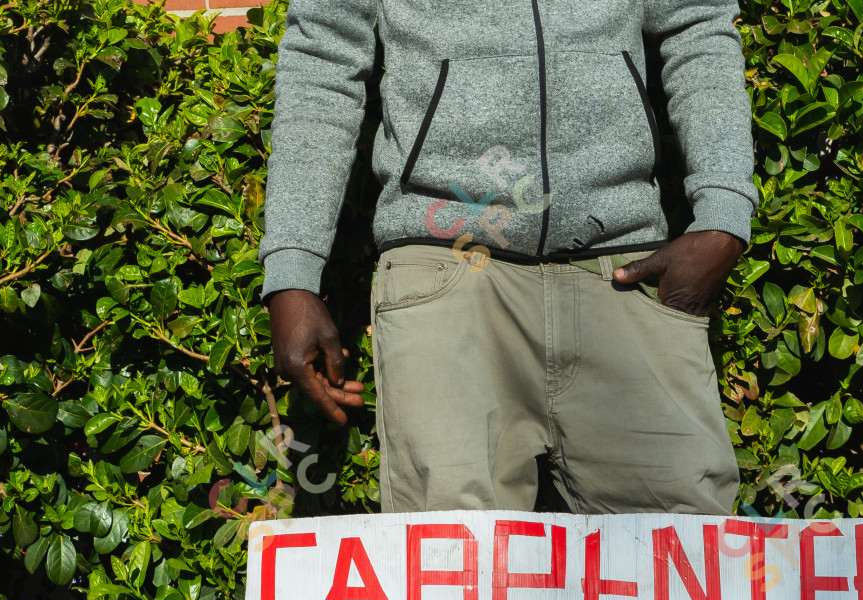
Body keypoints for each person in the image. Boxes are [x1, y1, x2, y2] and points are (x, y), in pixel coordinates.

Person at [258, 0, 758, 515]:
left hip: (624, 270)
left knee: (682, 560)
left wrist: (723, 216)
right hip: (445, 264)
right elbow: (324, 56)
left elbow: (696, 25)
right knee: (452, 568)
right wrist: (293, 268)